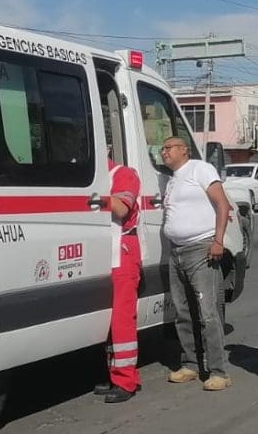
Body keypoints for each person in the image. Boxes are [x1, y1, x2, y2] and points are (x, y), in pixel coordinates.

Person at [160, 137, 233, 391]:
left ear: (184, 150)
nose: (164, 152)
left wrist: (218, 240)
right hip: (177, 252)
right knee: (182, 311)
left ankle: (219, 371)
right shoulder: (172, 180)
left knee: (208, 313)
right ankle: (190, 364)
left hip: (201, 249)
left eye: (169, 147)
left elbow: (222, 204)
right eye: (162, 149)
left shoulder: (200, 169)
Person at [93, 152, 143, 403]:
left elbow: (122, 208)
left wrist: (92, 198)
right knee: (106, 319)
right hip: (104, 251)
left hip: (123, 251)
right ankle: (113, 374)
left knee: (122, 318)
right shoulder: (97, 178)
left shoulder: (123, 174)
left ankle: (126, 381)